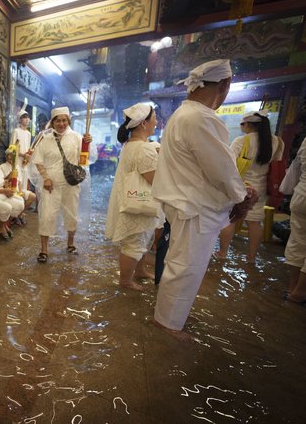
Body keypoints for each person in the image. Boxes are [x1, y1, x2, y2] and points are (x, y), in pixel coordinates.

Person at [151, 59, 257, 342]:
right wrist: (240, 196)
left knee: (185, 263)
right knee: (185, 266)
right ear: (224, 85)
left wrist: (237, 193)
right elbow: (221, 168)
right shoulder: (201, 118)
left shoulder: (182, 115)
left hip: (187, 203)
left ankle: (175, 313)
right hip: (193, 205)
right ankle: (168, 322)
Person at [105, 103, 162, 291]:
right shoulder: (143, 149)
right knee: (134, 244)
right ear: (144, 123)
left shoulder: (131, 145)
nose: (156, 121)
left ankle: (139, 271)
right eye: (153, 118)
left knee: (141, 239)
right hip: (138, 201)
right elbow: (154, 180)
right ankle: (125, 281)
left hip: (129, 198)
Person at [215, 110, 284, 262]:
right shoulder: (276, 141)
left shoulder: (242, 141)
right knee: (255, 223)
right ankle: (251, 257)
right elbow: (276, 163)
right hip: (261, 188)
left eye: (242, 124)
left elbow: (229, 163)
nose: (241, 127)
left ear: (248, 124)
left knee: (230, 219)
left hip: (241, 186)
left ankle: (222, 253)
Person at [32, 107, 92, 262]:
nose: (61, 123)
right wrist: (45, 178)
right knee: (47, 215)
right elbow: (37, 160)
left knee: (71, 215)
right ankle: (44, 250)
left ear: (68, 121)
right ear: (53, 122)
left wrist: (87, 145)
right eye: (58, 120)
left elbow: (84, 160)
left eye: (64, 120)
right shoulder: (45, 138)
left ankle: (70, 244)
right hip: (50, 185)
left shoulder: (76, 137)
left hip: (71, 184)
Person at [282, 139, 306, 305]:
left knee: (297, 241)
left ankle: (292, 288)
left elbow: (296, 166)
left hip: (301, 194)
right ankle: (300, 292)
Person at [1, 146, 36, 221]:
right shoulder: (2, 166)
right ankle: (15, 216)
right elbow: (2, 183)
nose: (10, 158)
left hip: (17, 189)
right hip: (9, 190)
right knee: (19, 200)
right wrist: (9, 176)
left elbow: (19, 181)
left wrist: (20, 192)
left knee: (32, 196)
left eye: (12, 156)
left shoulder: (17, 166)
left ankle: (18, 215)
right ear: (6, 156)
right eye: (9, 155)